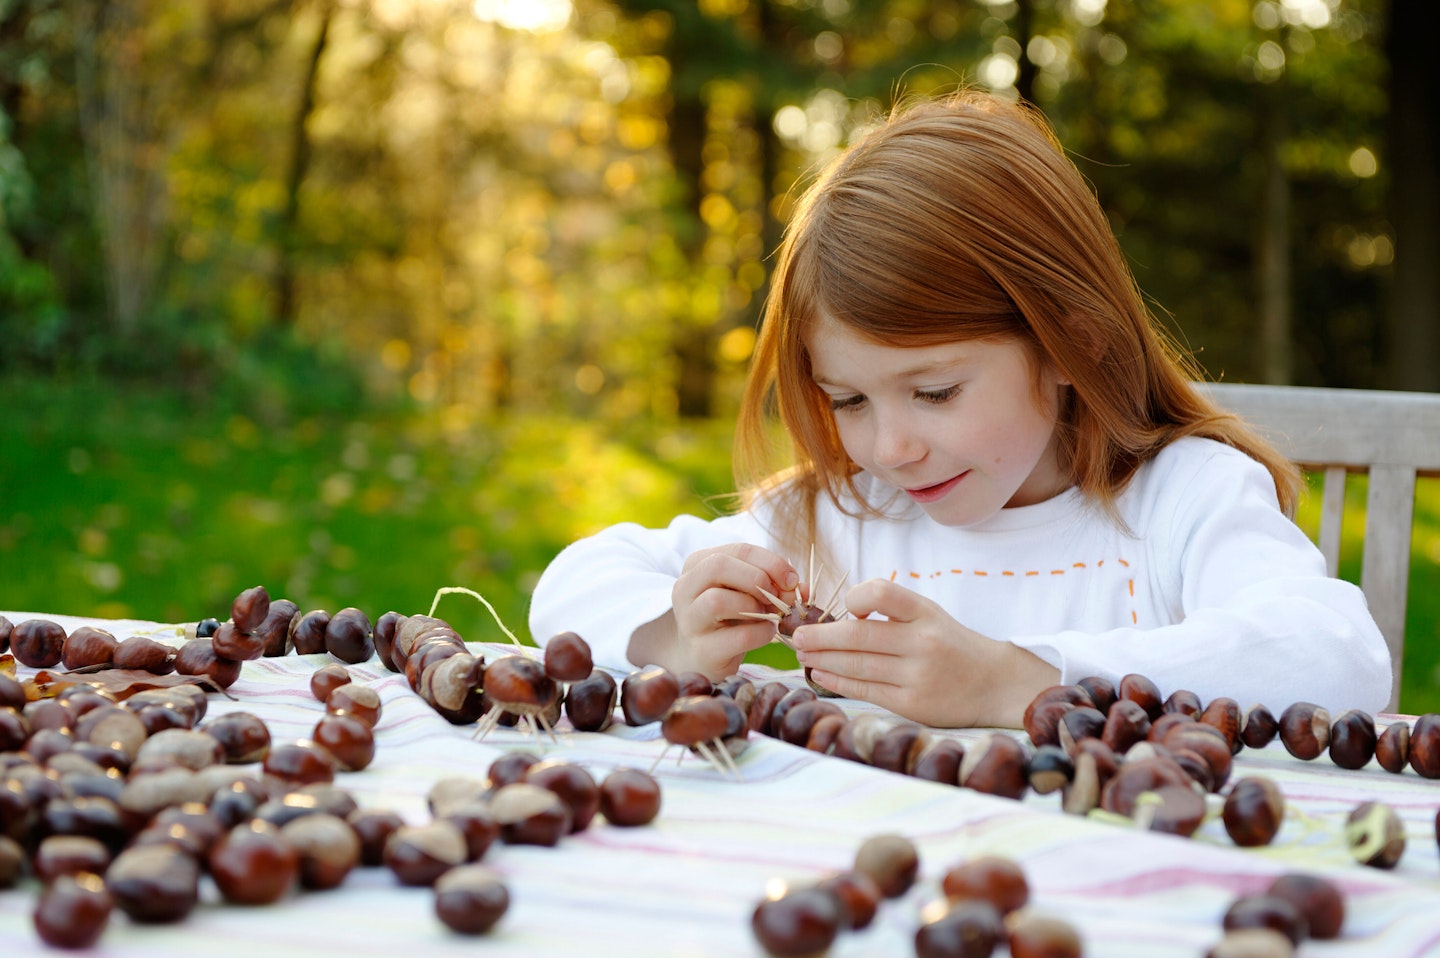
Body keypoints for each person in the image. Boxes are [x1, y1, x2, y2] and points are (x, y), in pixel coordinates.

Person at [527, 89, 1392, 728]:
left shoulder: (1183, 499)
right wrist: (675, 636)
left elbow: (1339, 658)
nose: (890, 445)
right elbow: (574, 582)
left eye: (934, 392)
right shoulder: (844, 515)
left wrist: (1015, 680)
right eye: (848, 399)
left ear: (1069, 342)